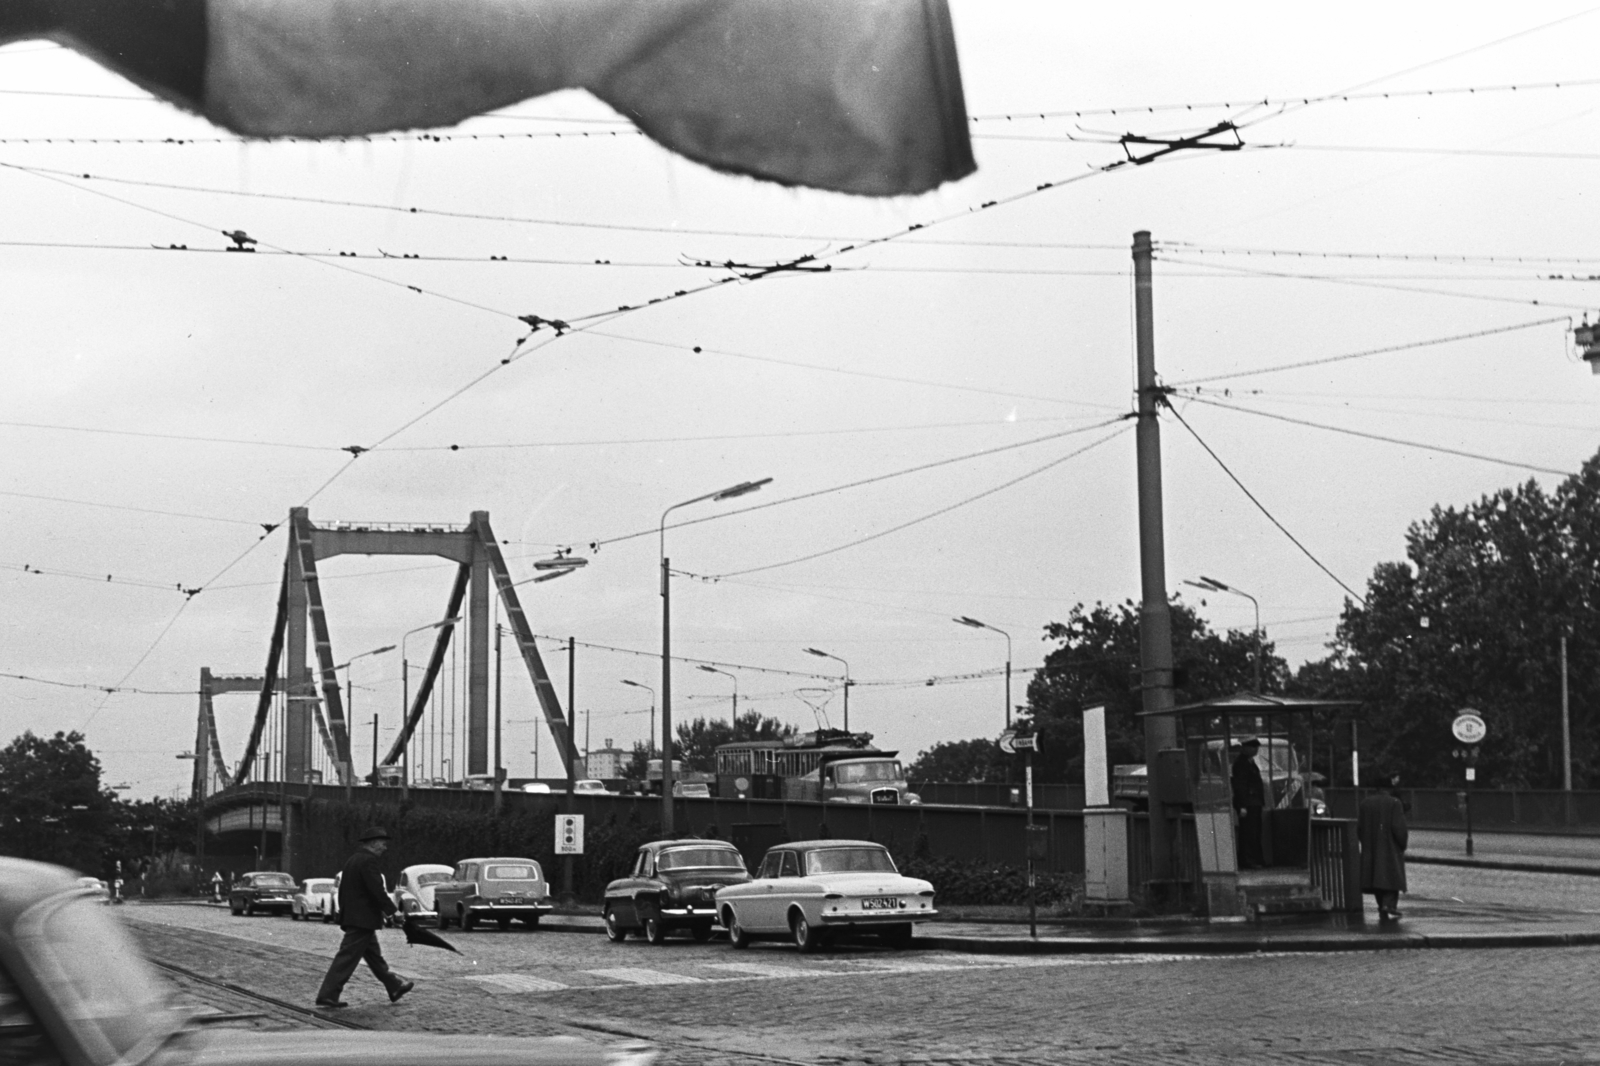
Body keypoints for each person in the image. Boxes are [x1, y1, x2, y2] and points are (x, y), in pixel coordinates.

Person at [315, 827, 414, 1008]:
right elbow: (377, 890)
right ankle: (327, 995)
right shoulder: (369, 861)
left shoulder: (353, 860)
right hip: (362, 920)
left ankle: (394, 986)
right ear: (374, 843)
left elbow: (345, 891)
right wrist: (393, 912)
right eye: (383, 844)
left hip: (357, 918)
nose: (385, 848)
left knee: (375, 958)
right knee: (346, 958)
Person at [1358, 770, 1409, 920]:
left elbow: (1359, 828)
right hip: (1390, 847)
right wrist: (1402, 844)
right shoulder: (1394, 803)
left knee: (1375, 879)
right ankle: (1389, 905)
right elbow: (1399, 828)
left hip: (1371, 847)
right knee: (1393, 876)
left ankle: (1382, 906)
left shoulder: (1365, 803)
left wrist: (1366, 843)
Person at [1231, 737, 1266, 870]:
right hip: (1248, 803)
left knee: (1255, 832)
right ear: (1246, 748)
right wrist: (1242, 806)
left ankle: (1256, 859)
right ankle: (1248, 860)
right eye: (1253, 747)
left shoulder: (1250, 762)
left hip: (1255, 802)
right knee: (1248, 832)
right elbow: (1240, 786)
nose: (1256, 749)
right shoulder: (1241, 763)